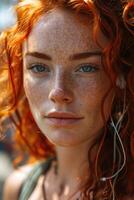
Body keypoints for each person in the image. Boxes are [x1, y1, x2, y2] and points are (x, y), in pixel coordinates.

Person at [0, 0, 134, 199]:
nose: (58, 91)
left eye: (86, 68)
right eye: (38, 67)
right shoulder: (19, 187)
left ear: (122, 77)